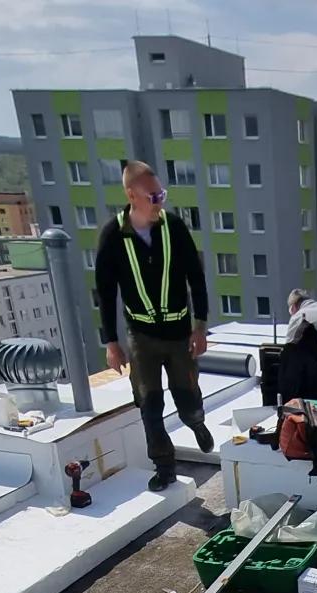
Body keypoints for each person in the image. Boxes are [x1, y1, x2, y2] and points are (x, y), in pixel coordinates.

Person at [95, 160, 212, 490]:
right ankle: (164, 466)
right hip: (142, 336)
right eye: (153, 196)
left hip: (178, 333)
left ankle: (195, 422)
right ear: (132, 195)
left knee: (187, 394)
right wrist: (111, 342)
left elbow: (197, 279)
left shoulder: (174, 228)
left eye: (162, 194)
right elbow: (105, 293)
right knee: (149, 404)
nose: (160, 201)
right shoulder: (113, 236)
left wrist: (200, 326)